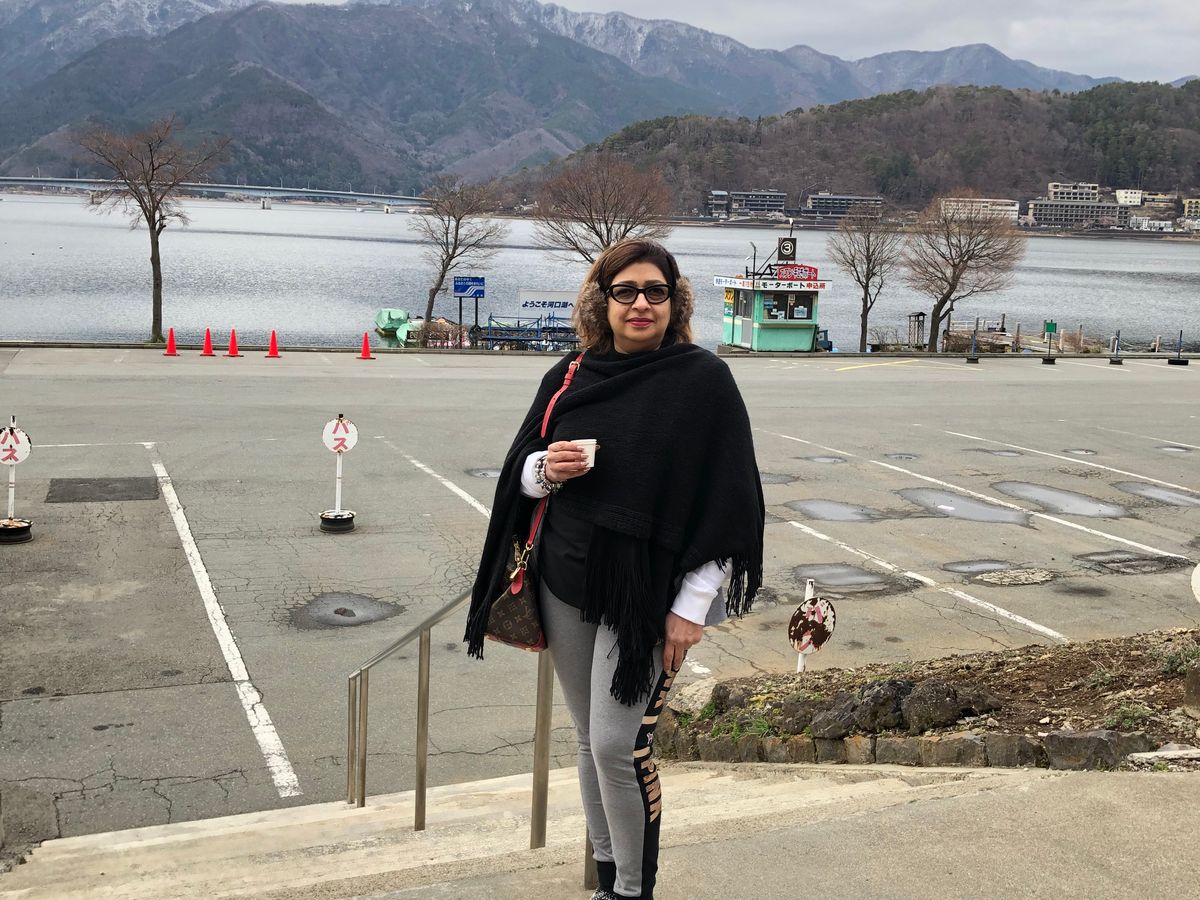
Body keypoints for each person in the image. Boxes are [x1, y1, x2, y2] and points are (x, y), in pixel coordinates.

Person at [466, 239, 764, 900]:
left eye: (655, 291)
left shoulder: (702, 381)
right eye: (624, 291)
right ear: (601, 302)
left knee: (616, 746)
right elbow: (520, 470)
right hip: (564, 582)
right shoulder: (571, 374)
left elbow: (730, 504)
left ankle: (633, 890)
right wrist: (545, 470)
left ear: (674, 302)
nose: (640, 304)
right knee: (586, 739)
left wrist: (692, 606)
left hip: (647, 596)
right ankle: (606, 882)